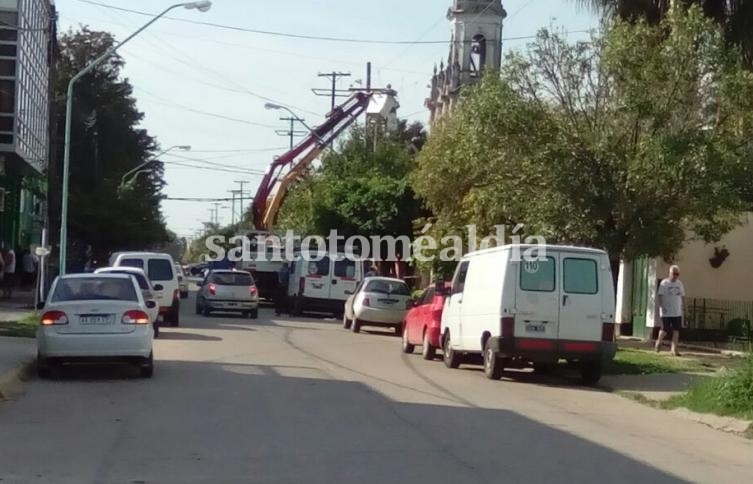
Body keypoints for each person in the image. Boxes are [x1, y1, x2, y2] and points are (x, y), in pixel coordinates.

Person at [655, 265, 686, 356]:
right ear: (670, 273)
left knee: (676, 330)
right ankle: (659, 341)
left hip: (677, 311)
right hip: (666, 311)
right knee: (665, 329)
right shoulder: (664, 283)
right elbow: (660, 296)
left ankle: (674, 349)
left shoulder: (679, 284)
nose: (675, 276)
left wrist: (685, 308)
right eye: (674, 274)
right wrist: (661, 306)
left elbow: (683, 296)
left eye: (677, 274)